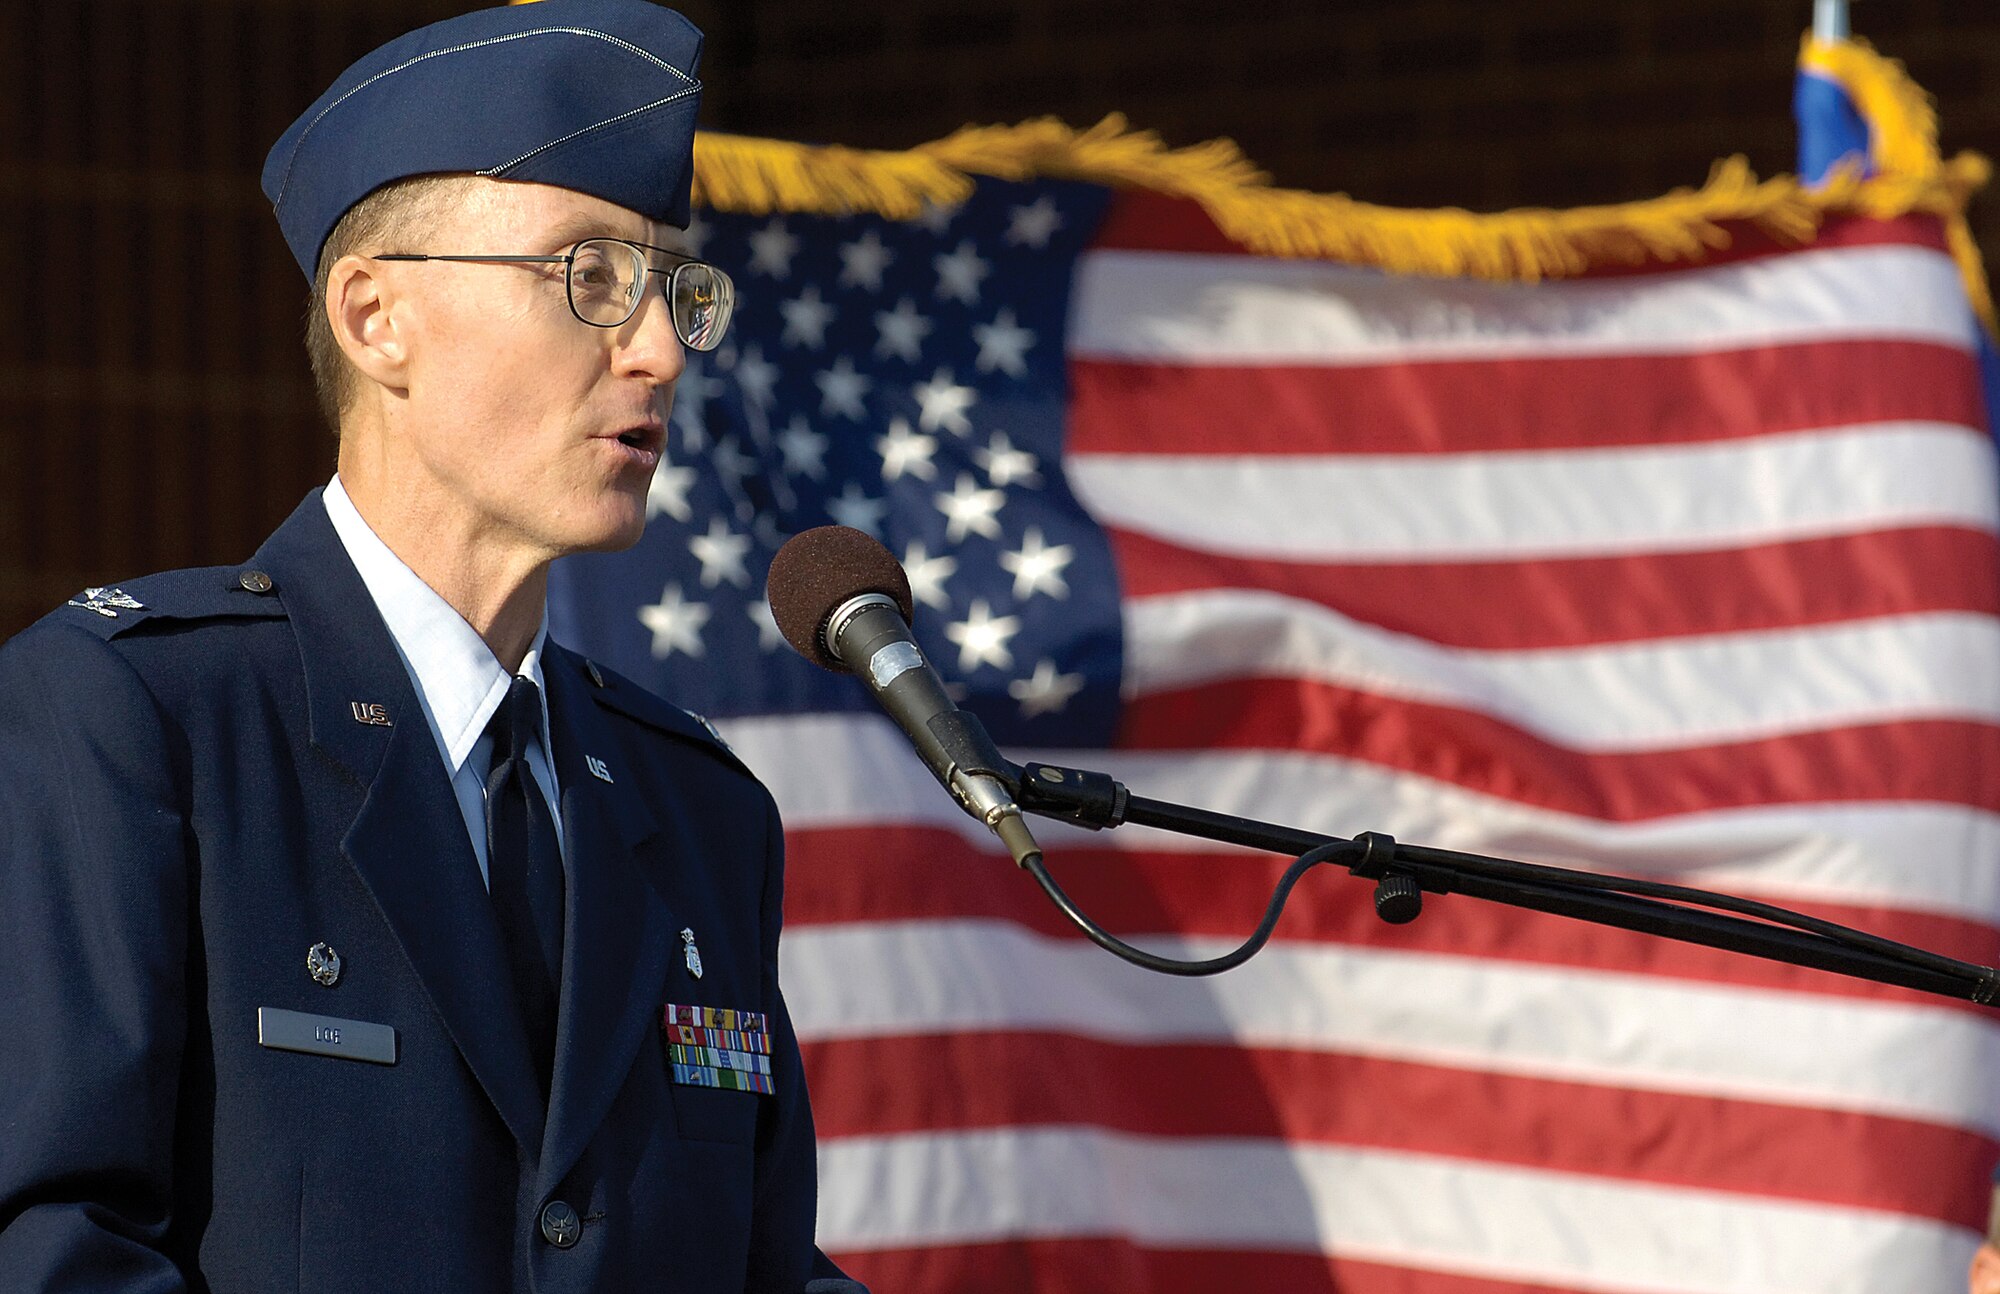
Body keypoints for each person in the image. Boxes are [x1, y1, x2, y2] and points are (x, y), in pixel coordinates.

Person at [0, 2, 861, 1289]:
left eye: (675, 288)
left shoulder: (697, 810)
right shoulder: (140, 719)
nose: (661, 351)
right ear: (373, 319)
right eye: (592, 276)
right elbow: (56, 1247)